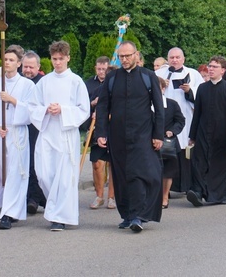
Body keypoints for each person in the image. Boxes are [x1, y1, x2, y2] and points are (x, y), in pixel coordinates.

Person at [95, 41, 164, 232]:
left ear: (136, 55)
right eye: (121, 56)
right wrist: (101, 132)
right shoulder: (112, 78)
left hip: (143, 134)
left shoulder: (148, 76)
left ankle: (138, 215)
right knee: (121, 174)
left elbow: (159, 108)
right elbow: (102, 107)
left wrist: (158, 134)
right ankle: (126, 214)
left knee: (139, 173)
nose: (124, 60)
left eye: (128, 56)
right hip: (117, 135)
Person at [28, 41, 90, 231]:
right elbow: (32, 105)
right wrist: (46, 110)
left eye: (61, 59)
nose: (57, 62)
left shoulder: (76, 81)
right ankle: (55, 209)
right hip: (47, 132)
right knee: (45, 175)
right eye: (54, 59)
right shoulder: (45, 81)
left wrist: (62, 110)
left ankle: (59, 217)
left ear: (68, 58)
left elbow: (84, 109)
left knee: (64, 178)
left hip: (65, 135)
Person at [0, 46, 36, 230]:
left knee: (14, 172)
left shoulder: (27, 85)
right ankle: (6, 206)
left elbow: (31, 110)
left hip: (17, 133)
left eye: (11, 60)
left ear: (19, 63)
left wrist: (12, 100)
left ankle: (7, 214)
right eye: (5, 59)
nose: (7, 63)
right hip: (0, 132)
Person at [186, 56, 226, 207]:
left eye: (215, 67)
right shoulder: (203, 88)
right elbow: (197, 113)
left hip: (222, 135)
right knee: (199, 162)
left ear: (223, 70)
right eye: (210, 66)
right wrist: (192, 135)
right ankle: (197, 192)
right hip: (203, 132)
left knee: (219, 166)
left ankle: (218, 195)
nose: (210, 69)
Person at [163, 47, 204, 193]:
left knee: (185, 150)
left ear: (183, 59)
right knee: (168, 150)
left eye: (177, 57)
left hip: (186, 116)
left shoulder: (193, 74)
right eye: (172, 57)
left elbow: (201, 94)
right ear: (167, 59)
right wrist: (160, 86)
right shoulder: (159, 73)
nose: (174, 60)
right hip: (166, 119)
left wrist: (189, 91)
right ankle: (167, 188)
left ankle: (186, 186)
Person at [83, 56, 116, 210]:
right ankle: (99, 195)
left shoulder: (117, 86)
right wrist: (94, 106)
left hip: (114, 129)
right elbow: (83, 105)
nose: (103, 72)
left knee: (114, 164)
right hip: (97, 128)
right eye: (100, 69)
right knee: (97, 163)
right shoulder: (93, 86)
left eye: (105, 69)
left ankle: (112, 197)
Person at [21, 51, 47, 215]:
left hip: (37, 129)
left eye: (31, 67)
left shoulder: (43, 83)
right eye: (25, 66)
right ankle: (34, 197)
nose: (28, 70)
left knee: (34, 164)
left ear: (38, 67)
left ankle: (34, 199)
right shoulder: (18, 82)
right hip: (19, 129)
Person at [157, 78, 185, 209]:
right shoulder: (145, 105)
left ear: (163, 89)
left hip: (169, 144)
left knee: (168, 172)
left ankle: (164, 197)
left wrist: (172, 131)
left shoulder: (172, 104)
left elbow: (180, 120)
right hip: (150, 143)